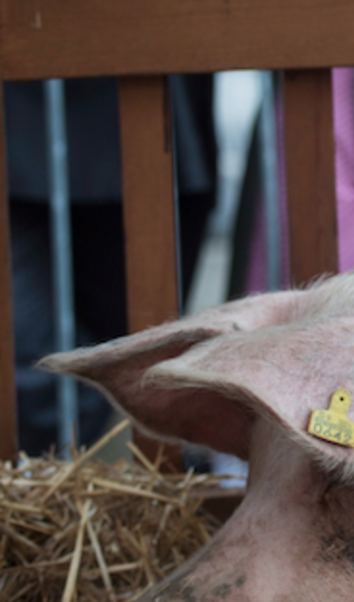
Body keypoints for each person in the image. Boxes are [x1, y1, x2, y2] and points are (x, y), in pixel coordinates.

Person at [6, 75, 216, 454]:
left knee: (120, 351)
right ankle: (49, 477)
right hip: (19, 111)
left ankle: (59, 474)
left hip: (147, 111)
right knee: (29, 360)